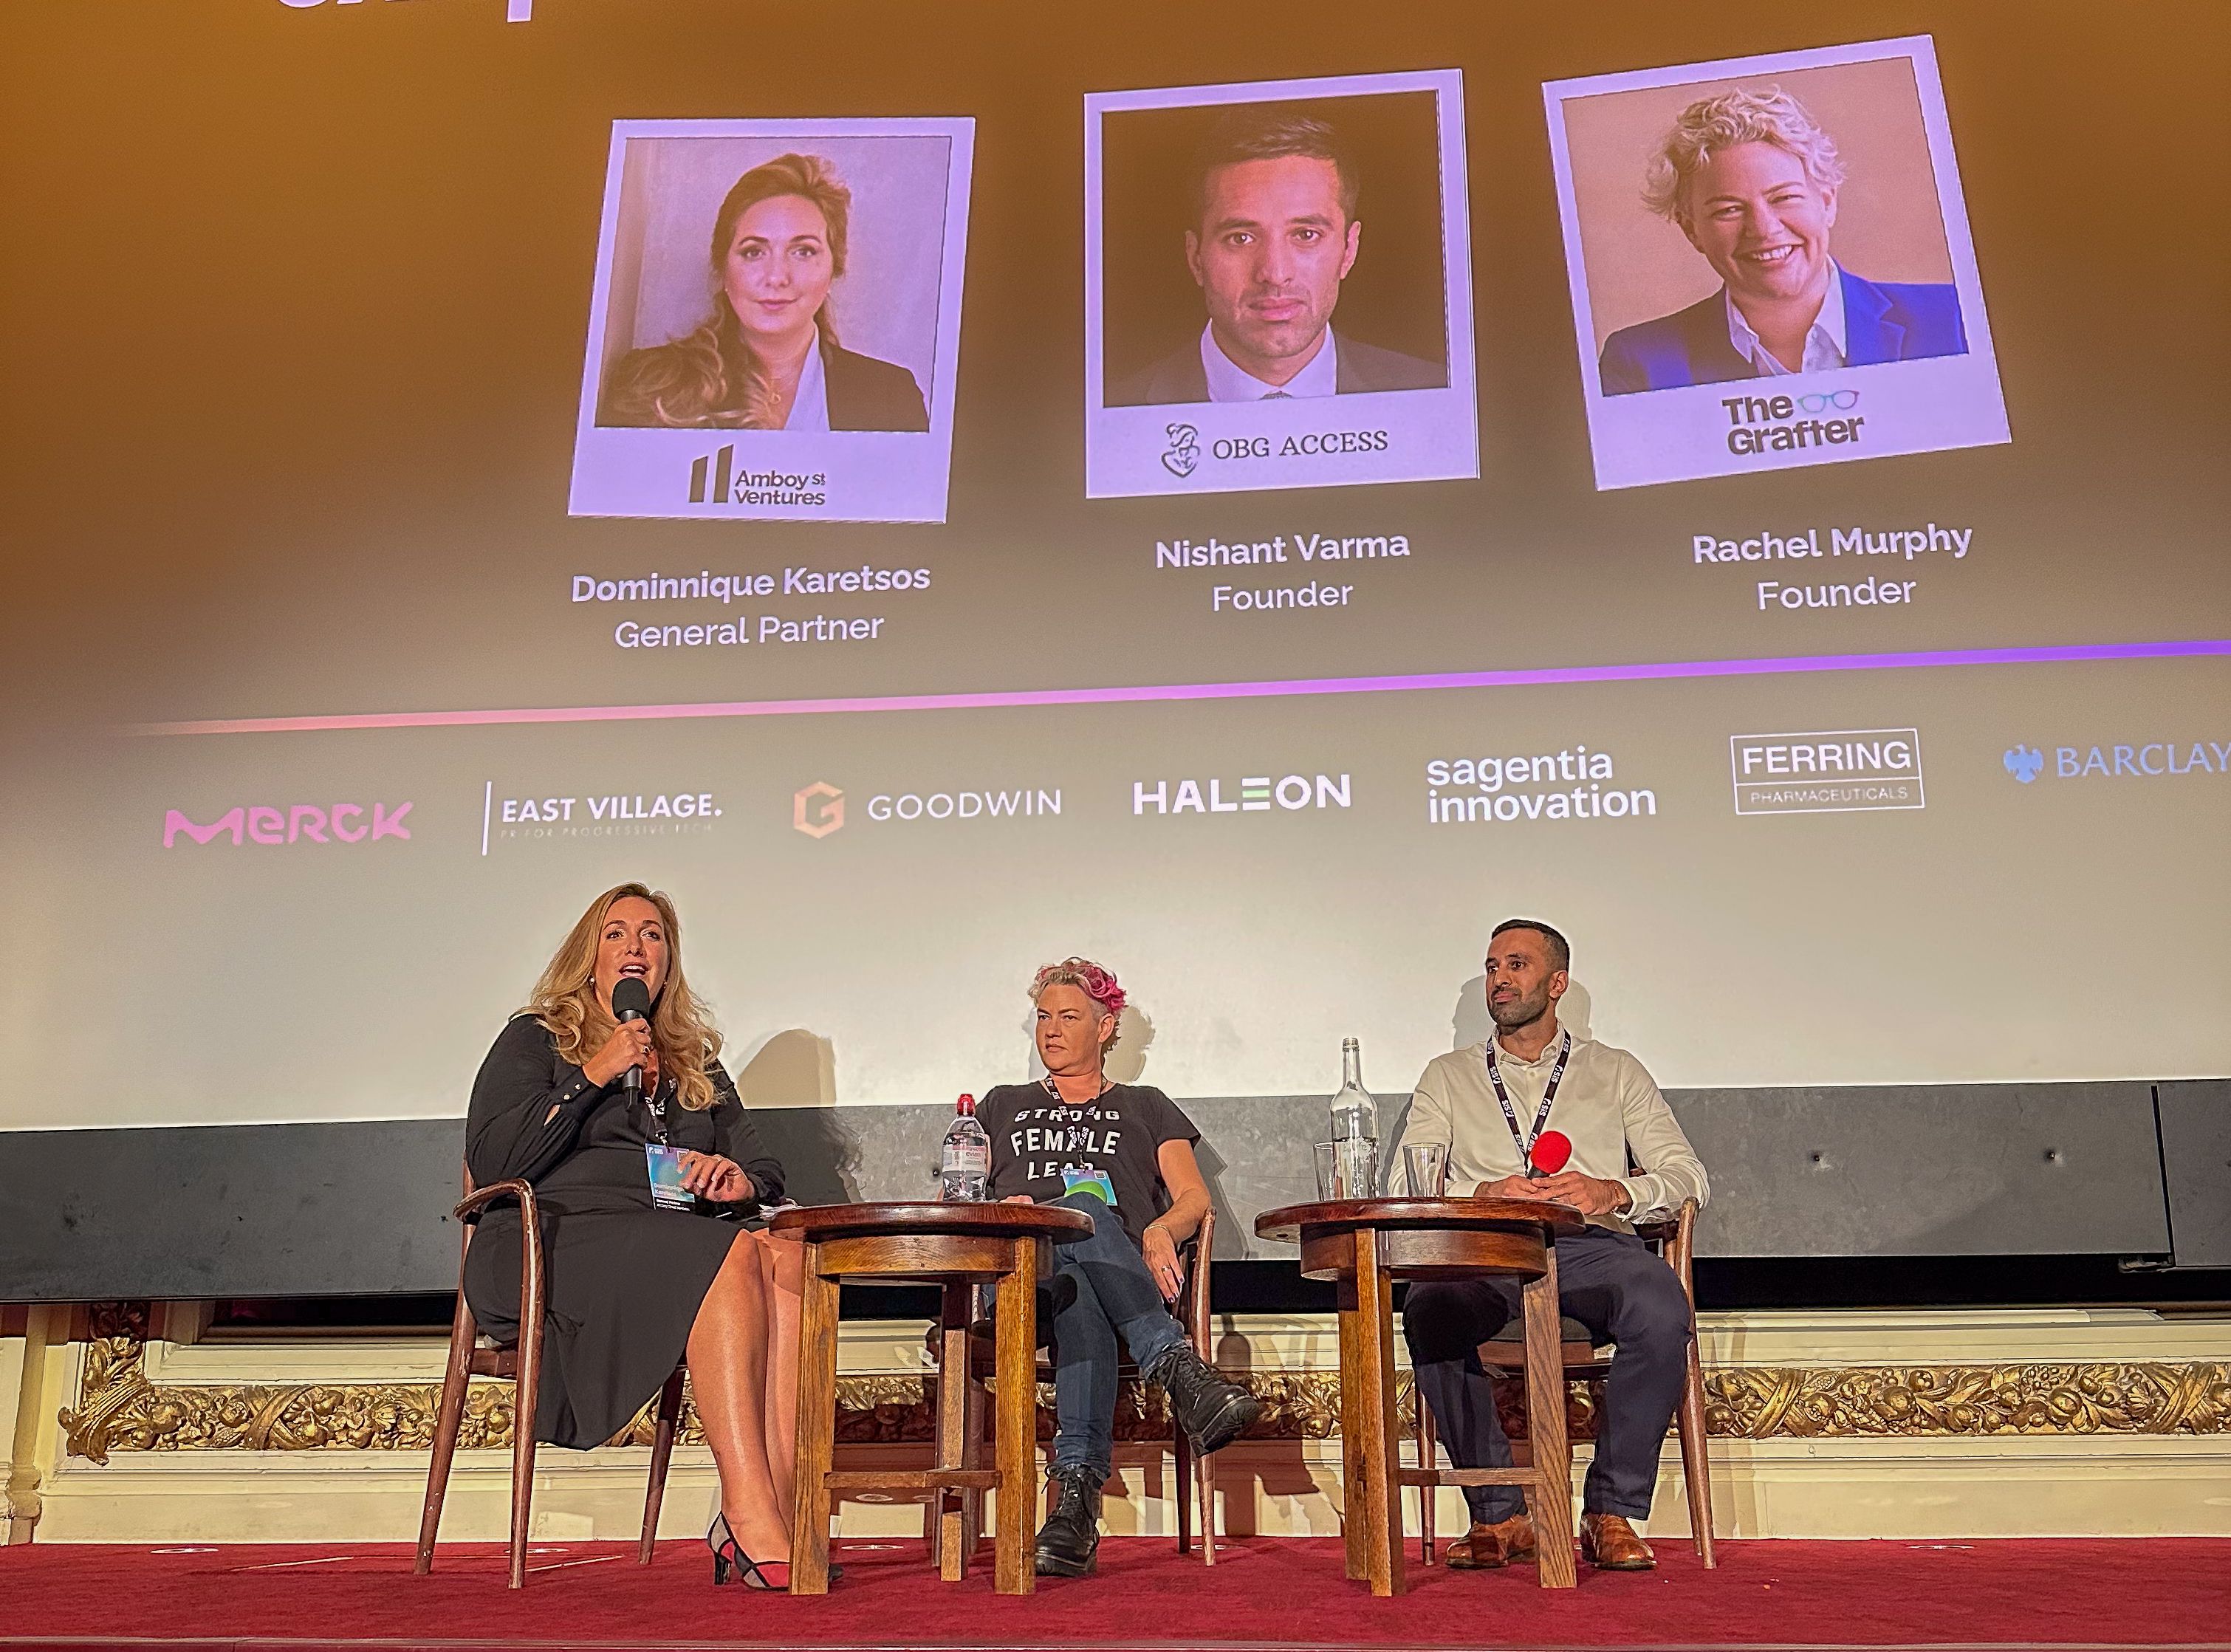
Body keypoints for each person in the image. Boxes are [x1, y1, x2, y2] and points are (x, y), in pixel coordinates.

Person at [463, 882, 812, 1591]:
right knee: (732, 1249)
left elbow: (764, 1166)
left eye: (651, 936)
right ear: (589, 957)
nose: (634, 947)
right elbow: (495, 1159)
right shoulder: (538, 1036)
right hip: (547, 1243)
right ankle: (751, 1515)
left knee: (786, 1253)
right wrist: (595, 1071)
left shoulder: (694, 1062)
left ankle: (770, 1503)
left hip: (660, 1240)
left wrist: (737, 1181)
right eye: (616, 933)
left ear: (666, 962)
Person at [1390, 919, 1709, 1572]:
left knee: (1659, 1303)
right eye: (1490, 967)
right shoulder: (1448, 1075)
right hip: (1483, 1245)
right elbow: (1405, 1180)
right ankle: (1500, 1512)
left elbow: (1687, 1176)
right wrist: (1483, 1192)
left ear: (1556, 982)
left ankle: (1610, 1510)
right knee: (1430, 1309)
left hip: (1586, 1244)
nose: (1498, 979)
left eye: (1515, 965)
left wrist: (1610, 1191)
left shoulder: (1614, 1070)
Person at [975, 957, 1263, 1577]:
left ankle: (1072, 1511)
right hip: (1024, 1276)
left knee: (1084, 1287)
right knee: (1081, 1211)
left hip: (1105, 1283)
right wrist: (1001, 1210)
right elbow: (964, 1199)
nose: (1050, 1030)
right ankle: (1179, 1370)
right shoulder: (1001, 1105)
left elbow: (1194, 1199)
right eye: (1043, 1017)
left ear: (1107, 1027)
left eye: (1069, 1016)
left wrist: (1161, 1226)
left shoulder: (1147, 1105)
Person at [1598, 87, 1967, 395]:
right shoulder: (1639, 365)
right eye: (1728, 209)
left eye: (1784, 198)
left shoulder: (1955, 318)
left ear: (1827, 202)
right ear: (1692, 230)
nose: (1763, 229)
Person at [1109, 108, 1444, 405]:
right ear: (1196, 257)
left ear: (1349, 249)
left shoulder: (1436, 398)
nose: (1274, 273)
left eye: (1305, 235)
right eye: (1241, 238)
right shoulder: (1109, 417)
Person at [600, 153, 930, 432]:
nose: (776, 277)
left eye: (803, 251)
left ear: (834, 267)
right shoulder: (650, 383)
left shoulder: (892, 397)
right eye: (754, 252)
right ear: (723, 268)